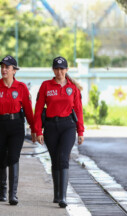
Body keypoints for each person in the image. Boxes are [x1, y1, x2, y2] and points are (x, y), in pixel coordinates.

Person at [0, 55, 36, 205]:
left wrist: (34, 128)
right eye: (2, 67)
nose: (4, 70)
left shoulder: (21, 87)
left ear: (14, 70)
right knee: (0, 158)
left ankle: (13, 194)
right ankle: (3, 191)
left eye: (7, 67)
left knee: (13, 157)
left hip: (16, 126)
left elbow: (28, 110)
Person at [33, 56, 84, 208]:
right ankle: (57, 194)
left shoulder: (72, 88)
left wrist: (80, 130)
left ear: (66, 70)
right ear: (53, 70)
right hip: (50, 127)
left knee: (63, 157)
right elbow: (39, 109)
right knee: (55, 159)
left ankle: (63, 197)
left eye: (62, 69)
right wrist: (37, 130)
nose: (59, 71)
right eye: (56, 69)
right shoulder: (46, 86)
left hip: (68, 126)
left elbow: (78, 110)